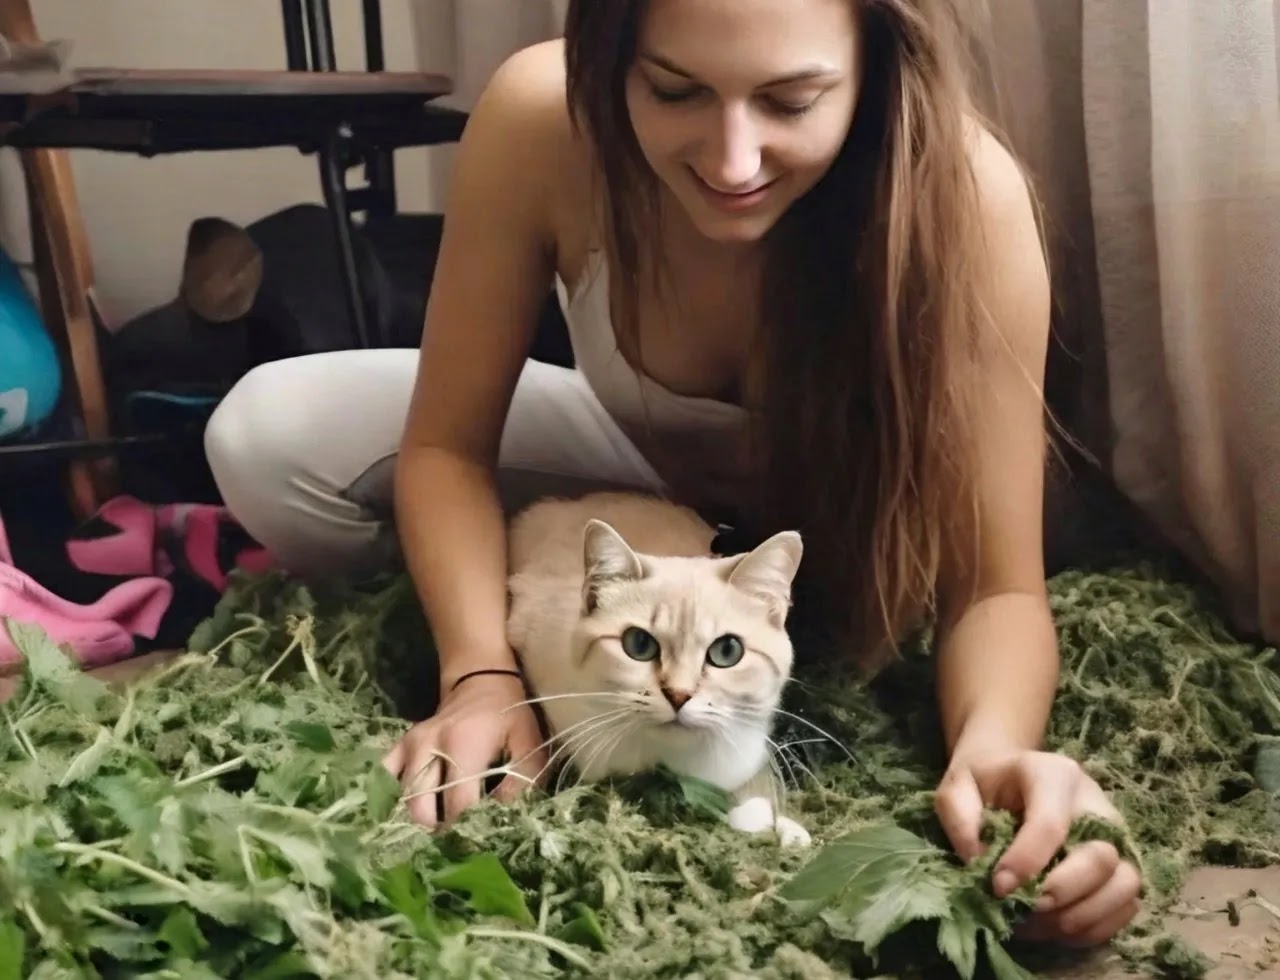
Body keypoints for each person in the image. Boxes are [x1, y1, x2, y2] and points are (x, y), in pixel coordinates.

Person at [204, 0, 1142, 948]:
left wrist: (995, 751)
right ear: (611, 57)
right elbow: (446, 448)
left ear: (877, 70)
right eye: (674, 90)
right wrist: (480, 673)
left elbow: (994, 584)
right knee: (263, 436)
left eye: (792, 100)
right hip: (630, 481)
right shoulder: (541, 116)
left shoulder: (968, 195)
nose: (732, 160)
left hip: (819, 551)